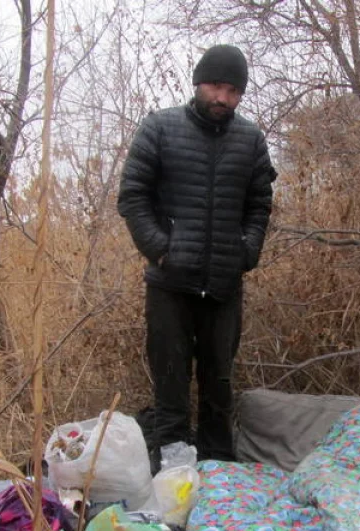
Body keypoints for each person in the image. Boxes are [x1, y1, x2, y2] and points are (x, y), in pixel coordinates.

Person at [117, 44, 277, 466]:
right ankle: (172, 483)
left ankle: (218, 478)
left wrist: (247, 251)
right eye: (214, 86)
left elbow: (260, 202)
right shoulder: (159, 128)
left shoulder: (251, 139)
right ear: (198, 83)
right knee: (170, 390)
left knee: (218, 389)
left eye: (231, 90)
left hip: (224, 287)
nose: (221, 98)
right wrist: (161, 250)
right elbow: (133, 197)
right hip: (170, 285)